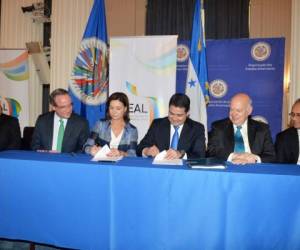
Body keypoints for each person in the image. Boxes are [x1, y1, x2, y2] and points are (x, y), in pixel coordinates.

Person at [207, 93, 276, 164]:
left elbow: (271, 156)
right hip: (228, 169)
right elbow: (211, 151)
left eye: (238, 111)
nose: (234, 114)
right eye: (231, 110)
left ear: (249, 111)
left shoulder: (262, 129)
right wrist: (232, 156)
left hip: (254, 169)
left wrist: (255, 159)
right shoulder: (218, 127)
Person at [137, 93, 205, 159]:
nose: (174, 119)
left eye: (179, 115)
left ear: (187, 113)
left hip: (184, 170)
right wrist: (147, 151)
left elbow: (200, 155)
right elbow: (140, 147)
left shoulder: (197, 128)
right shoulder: (157, 124)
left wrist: (180, 154)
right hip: (159, 168)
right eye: (171, 113)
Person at [31, 88, 89, 153]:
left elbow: (83, 149)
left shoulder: (81, 123)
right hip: (46, 160)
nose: (69, 109)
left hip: (69, 161)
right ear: (53, 107)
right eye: (63, 107)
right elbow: (35, 146)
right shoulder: (42, 120)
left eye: (70, 105)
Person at [84, 92, 138, 157]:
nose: (114, 111)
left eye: (118, 108)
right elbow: (86, 146)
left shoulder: (132, 130)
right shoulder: (100, 124)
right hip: (101, 164)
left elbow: (132, 154)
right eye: (111, 108)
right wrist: (91, 150)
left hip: (122, 165)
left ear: (125, 109)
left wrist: (120, 153)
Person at [275, 98, 300, 164]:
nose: (294, 118)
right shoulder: (283, 138)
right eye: (292, 114)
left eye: (298, 115)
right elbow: (280, 167)